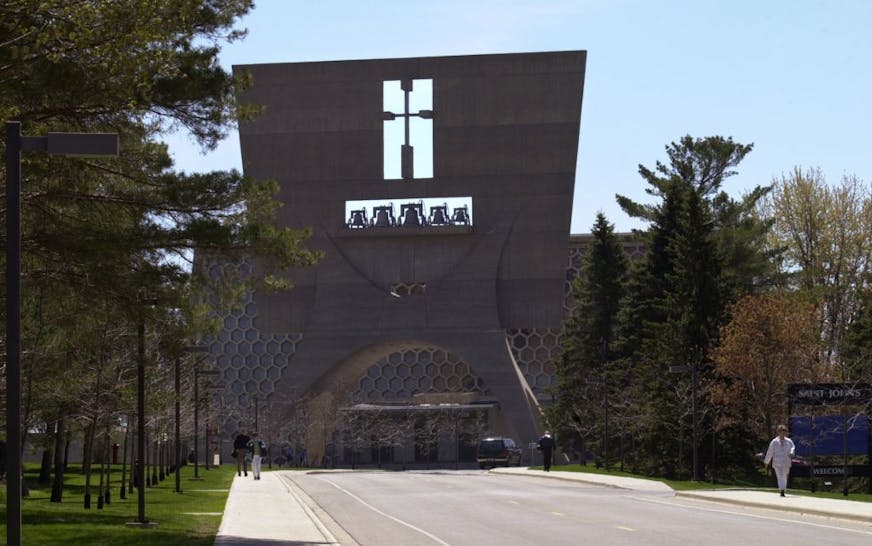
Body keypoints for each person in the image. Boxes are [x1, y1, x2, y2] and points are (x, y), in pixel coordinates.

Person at [764, 424, 795, 497]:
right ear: (778, 432)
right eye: (781, 431)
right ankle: (782, 490)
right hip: (777, 462)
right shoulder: (774, 441)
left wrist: (791, 453)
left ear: (786, 432)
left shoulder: (789, 441)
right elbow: (770, 452)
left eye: (784, 431)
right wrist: (766, 462)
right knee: (779, 475)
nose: (782, 432)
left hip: (786, 461)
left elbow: (793, 448)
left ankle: (783, 489)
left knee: (785, 475)